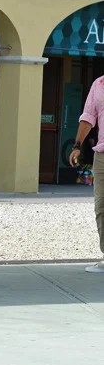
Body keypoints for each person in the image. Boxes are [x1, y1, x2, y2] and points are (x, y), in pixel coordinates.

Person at [69, 75, 104, 273]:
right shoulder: (99, 84)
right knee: (101, 206)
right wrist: (77, 146)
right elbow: (89, 116)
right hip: (102, 154)